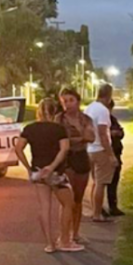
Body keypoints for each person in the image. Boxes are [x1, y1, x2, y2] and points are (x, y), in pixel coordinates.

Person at [13, 98, 84, 254]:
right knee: (68, 203)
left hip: (37, 171)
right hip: (56, 173)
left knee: (44, 207)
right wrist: (52, 167)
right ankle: (65, 240)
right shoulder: (58, 129)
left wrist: (29, 168)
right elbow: (64, 149)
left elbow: (18, 149)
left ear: (39, 111)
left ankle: (50, 244)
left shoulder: (29, 128)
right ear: (55, 112)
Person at [56, 88, 95, 242]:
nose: (68, 104)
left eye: (71, 100)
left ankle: (76, 233)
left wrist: (73, 139)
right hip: (65, 159)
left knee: (78, 199)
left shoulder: (86, 119)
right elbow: (58, 140)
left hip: (81, 158)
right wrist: (80, 138)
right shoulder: (59, 120)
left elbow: (91, 137)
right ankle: (63, 234)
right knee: (67, 199)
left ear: (77, 101)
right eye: (65, 101)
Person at [84, 84, 119, 222]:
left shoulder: (89, 107)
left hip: (90, 148)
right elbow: (103, 133)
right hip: (100, 149)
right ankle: (97, 214)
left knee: (95, 182)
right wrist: (111, 155)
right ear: (109, 96)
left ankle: (95, 211)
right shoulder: (103, 110)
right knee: (101, 183)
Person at [104, 99, 125, 217]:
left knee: (114, 181)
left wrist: (117, 133)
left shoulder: (112, 119)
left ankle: (113, 206)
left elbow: (121, 132)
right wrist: (111, 133)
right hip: (104, 154)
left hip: (116, 153)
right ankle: (99, 208)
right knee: (101, 183)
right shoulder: (100, 120)